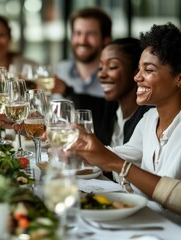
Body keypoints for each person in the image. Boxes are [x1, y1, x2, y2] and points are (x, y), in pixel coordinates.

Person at [72, 22, 181, 222]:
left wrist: (117, 164)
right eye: (139, 69)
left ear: (178, 78)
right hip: (146, 224)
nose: (137, 77)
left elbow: (118, 162)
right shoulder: (150, 119)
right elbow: (117, 156)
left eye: (148, 70)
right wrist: (74, 145)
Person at [96, 38, 151, 146]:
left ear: (137, 71)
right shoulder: (111, 111)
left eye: (112, 66)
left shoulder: (150, 118)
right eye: (100, 67)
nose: (101, 74)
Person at [52, 7, 111, 98]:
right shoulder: (61, 70)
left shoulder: (113, 76)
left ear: (105, 40)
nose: (82, 41)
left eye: (90, 34)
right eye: (78, 33)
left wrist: (66, 91)